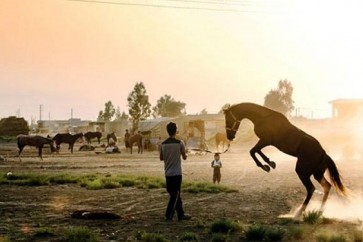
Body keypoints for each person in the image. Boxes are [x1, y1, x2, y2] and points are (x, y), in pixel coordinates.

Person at [159, 122, 191, 221]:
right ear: (176, 131)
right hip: (177, 173)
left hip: (167, 173)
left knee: (175, 194)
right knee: (175, 195)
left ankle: (181, 214)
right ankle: (168, 215)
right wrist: (186, 152)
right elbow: (184, 157)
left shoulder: (163, 144)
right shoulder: (180, 143)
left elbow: (161, 158)